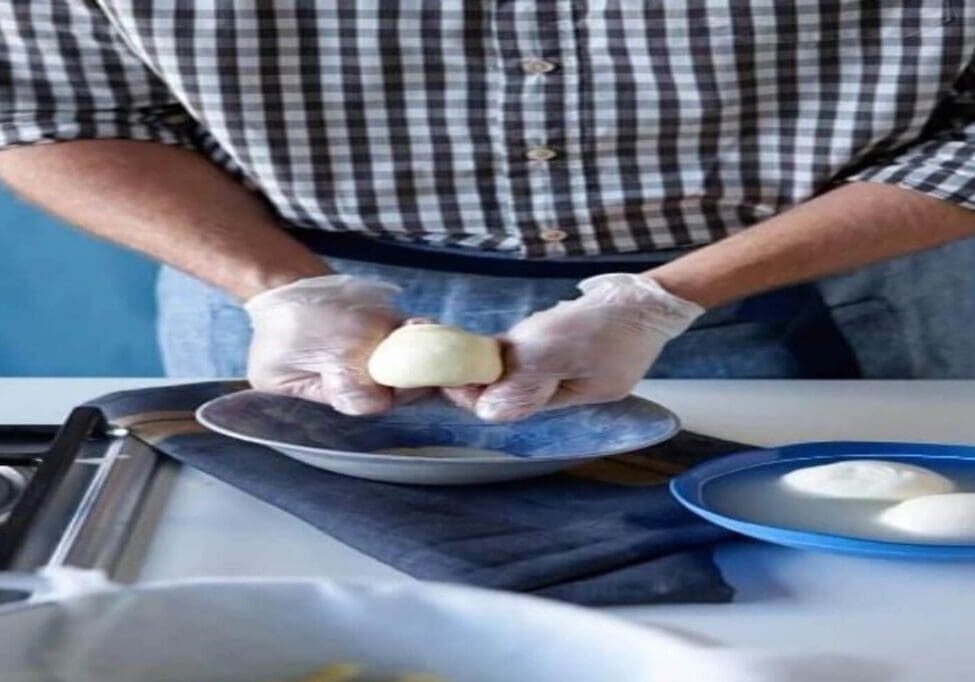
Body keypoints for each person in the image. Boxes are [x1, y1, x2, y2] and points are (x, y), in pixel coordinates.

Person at [1, 3, 974, 422]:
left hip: (824, 301)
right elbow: (55, 112)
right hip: (287, 315)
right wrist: (286, 286)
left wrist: (665, 297)